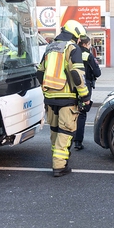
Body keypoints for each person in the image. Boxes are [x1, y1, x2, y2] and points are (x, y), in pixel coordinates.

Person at [36, 20, 90, 177]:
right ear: (75, 35)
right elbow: (77, 75)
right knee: (65, 131)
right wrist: (85, 96)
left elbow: (39, 73)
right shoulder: (72, 48)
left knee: (54, 130)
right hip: (67, 98)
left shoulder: (50, 47)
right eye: (79, 38)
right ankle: (59, 166)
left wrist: (46, 89)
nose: (79, 41)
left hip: (50, 98)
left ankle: (56, 159)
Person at [74, 36, 101, 150]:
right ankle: (78, 142)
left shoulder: (73, 53)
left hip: (73, 86)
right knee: (82, 113)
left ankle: (68, 138)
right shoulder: (88, 55)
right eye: (89, 44)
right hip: (85, 87)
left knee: (72, 113)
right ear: (86, 44)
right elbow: (97, 72)